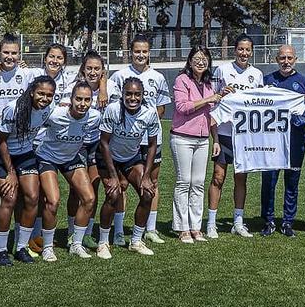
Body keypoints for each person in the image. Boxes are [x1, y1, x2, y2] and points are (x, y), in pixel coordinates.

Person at [106, 36, 170, 246]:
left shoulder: (158, 77)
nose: (140, 55)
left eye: (144, 51)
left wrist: (145, 125)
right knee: (122, 185)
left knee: (150, 183)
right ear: (130, 52)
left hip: (150, 137)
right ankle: (117, 231)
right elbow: (115, 105)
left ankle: (149, 229)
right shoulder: (119, 76)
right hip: (124, 140)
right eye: (137, 51)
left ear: (149, 52)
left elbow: (160, 108)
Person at [0, 75, 56, 265]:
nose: (44, 98)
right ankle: (1, 250)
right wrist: (11, 172)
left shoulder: (47, 109)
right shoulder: (14, 109)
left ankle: (21, 247)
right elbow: (1, 141)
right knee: (9, 198)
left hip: (26, 154)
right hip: (2, 155)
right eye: (41, 94)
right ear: (32, 91)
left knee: (32, 197)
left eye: (49, 95)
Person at [96, 77, 161, 258]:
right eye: (129, 94)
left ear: (142, 96)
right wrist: (113, 175)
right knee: (114, 193)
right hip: (108, 157)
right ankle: (103, 242)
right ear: (122, 95)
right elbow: (104, 143)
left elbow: (152, 145)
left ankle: (136, 241)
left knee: (148, 193)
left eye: (137, 94)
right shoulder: (113, 109)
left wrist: (147, 176)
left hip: (131, 158)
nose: (133, 98)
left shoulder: (149, 112)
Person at [36, 80, 100, 261]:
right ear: (70, 99)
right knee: (53, 201)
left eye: (87, 100)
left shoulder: (94, 117)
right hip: (47, 157)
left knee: (89, 199)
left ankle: (76, 244)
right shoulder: (55, 114)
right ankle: (48, 247)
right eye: (78, 99)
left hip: (71, 158)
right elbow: (34, 120)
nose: (82, 104)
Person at [208, 35, 264, 238]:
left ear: (252, 51)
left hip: (244, 136)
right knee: (218, 177)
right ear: (235, 50)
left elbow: (260, 106)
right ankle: (211, 223)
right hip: (223, 133)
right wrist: (214, 138)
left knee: (241, 179)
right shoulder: (222, 70)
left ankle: (238, 222)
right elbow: (212, 104)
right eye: (241, 49)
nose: (244, 53)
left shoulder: (257, 74)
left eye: (247, 50)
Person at [261, 45, 305, 237]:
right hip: (271, 142)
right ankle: (268, 220)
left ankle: (288, 222)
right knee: (269, 182)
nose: (286, 62)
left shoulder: (304, 82)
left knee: (292, 183)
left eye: (289, 58)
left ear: (295, 59)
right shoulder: (267, 81)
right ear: (276, 59)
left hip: (295, 140)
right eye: (282, 58)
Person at [170, 46, 219, 243]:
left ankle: (196, 227)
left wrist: (216, 139)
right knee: (184, 182)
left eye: (204, 58)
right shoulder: (182, 80)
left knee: (198, 183)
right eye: (197, 58)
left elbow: (213, 115)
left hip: (202, 140)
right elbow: (182, 107)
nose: (201, 62)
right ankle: (182, 228)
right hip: (182, 137)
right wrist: (208, 99)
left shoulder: (208, 84)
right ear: (190, 61)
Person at [60, 50, 107, 253]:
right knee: (76, 190)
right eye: (89, 68)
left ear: (103, 71)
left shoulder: (109, 88)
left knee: (93, 189)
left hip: (97, 144)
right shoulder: (74, 88)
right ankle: (72, 231)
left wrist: (104, 88)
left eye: (97, 69)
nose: (93, 72)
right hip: (77, 144)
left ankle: (86, 233)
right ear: (83, 69)